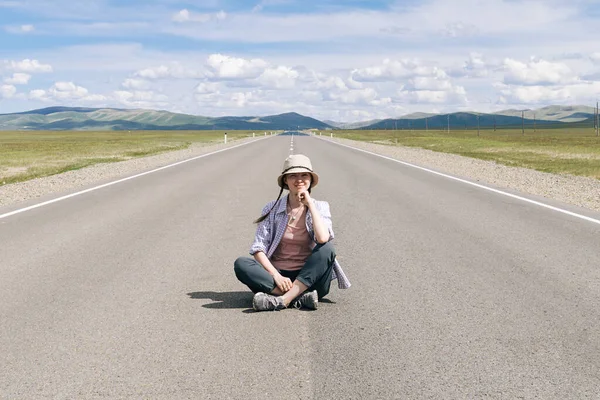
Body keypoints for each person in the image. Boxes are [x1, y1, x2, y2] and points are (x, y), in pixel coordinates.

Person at [234, 154, 351, 311]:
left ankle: (282, 300)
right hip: (278, 277)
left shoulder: (321, 206)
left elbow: (323, 238)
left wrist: (310, 204)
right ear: (285, 181)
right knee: (242, 264)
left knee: (327, 248)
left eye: (304, 175)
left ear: (310, 179)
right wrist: (276, 276)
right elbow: (258, 248)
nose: (299, 179)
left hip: (311, 278)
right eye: (293, 176)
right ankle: (299, 299)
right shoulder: (271, 209)